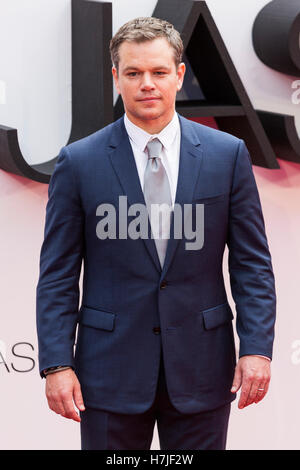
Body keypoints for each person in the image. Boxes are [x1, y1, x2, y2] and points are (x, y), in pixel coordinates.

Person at [36, 17, 276, 450]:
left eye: (159, 72)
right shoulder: (79, 162)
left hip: (203, 369)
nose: (147, 83)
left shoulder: (227, 155)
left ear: (179, 74)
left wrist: (257, 348)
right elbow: (57, 274)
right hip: (107, 373)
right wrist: (56, 364)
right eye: (133, 73)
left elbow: (252, 264)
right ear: (116, 77)